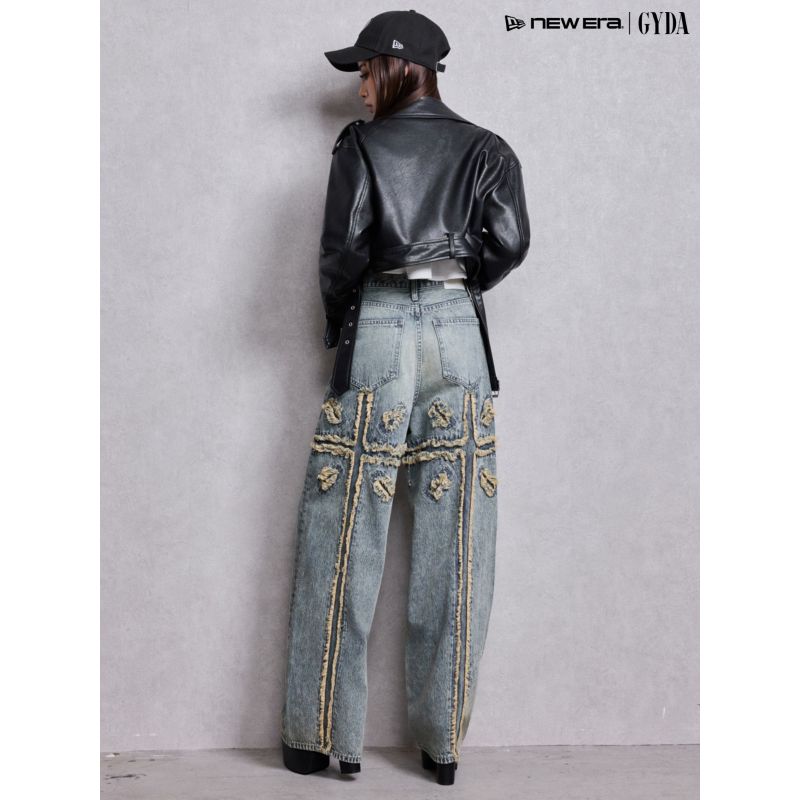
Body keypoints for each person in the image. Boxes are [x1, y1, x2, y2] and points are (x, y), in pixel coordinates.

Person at [280, 10, 531, 786]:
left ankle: (322, 740)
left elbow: (342, 253)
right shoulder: (488, 149)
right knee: (458, 544)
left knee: (341, 533)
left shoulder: (361, 148)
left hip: (381, 325)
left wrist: (342, 325)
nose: (359, 86)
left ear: (399, 69)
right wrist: (456, 282)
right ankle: (441, 748)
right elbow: (510, 243)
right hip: (458, 332)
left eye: (365, 70)